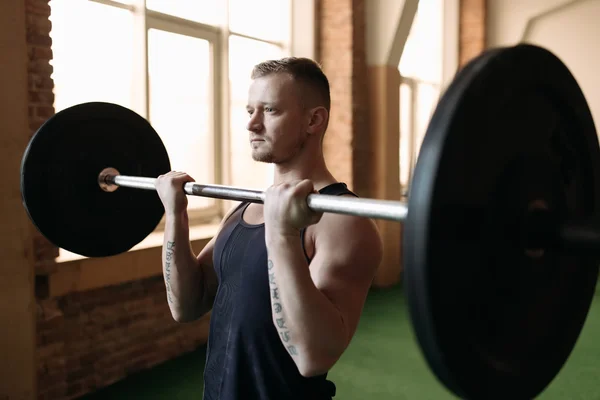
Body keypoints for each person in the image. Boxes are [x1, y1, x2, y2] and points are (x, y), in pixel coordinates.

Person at [155, 57, 383, 400]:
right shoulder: (245, 209)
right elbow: (186, 306)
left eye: (270, 111)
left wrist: (282, 235)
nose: (252, 124)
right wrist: (176, 216)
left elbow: (312, 357)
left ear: (313, 120)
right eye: (250, 110)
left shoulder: (344, 223)